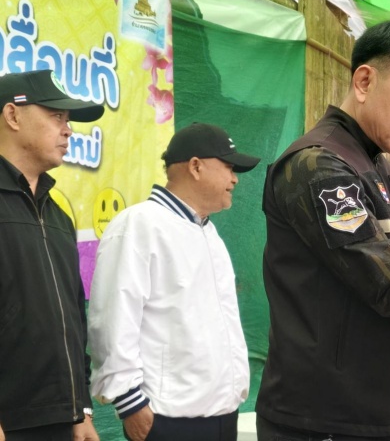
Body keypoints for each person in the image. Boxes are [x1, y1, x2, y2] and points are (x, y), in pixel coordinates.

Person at [257, 19, 390, 440]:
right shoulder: (319, 167)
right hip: (321, 419)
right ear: (365, 81)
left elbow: (387, 285)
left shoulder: (383, 169)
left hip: (370, 413)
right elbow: (388, 282)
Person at [87, 123, 259, 441]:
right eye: (228, 166)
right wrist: (130, 403)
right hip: (169, 420)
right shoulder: (139, 224)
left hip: (222, 415)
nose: (235, 178)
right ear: (195, 166)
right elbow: (112, 320)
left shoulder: (207, 231)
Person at [0, 69, 103, 441]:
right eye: (56, 116)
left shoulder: (59, 217)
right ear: (12, 115)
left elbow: (73, 316)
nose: (68, 130)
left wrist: (81, 409)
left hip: (63, 420)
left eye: (68, 119)